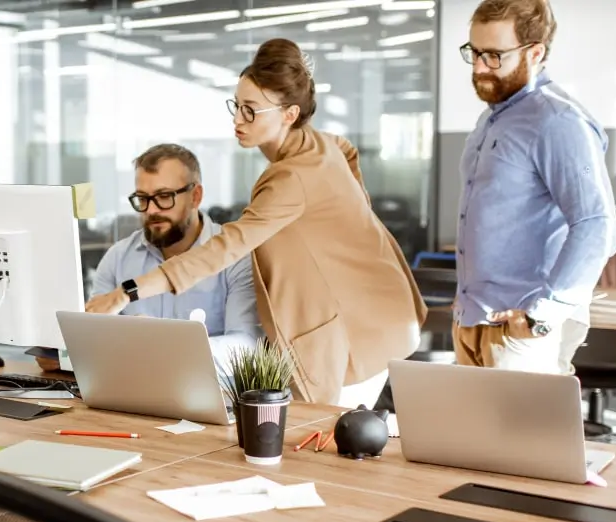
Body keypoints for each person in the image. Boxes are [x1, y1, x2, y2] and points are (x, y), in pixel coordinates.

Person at [85, 39, 427, 408]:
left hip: (359, 333)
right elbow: (348, 151)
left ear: (289, 114)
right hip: (383, 314)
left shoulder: (290, 178)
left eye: (251, 111)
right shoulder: (321, 145)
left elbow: (224, 248)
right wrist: (352, 225)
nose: (237, 120)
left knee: (319, 446)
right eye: (236, 106)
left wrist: (128, 292)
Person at [452, 0, 616, 373]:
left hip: (522, 329)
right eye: (474, 52)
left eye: (494, 55)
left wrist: (543, 315)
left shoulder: (558, 121)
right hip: (473, 320)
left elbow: (595, 223)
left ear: (535, 52)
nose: (479, 67)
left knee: (522, 434)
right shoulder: (492, 118)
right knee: (466, 433)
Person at [35, 143, 261, 374]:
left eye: (164, 197)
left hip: (213, 399)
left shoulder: (235, 259)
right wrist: (62, 353)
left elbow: (247, 348)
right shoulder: (118, 258)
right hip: (130, 393)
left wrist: (163, 347)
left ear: (195, 196)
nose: (151, 210)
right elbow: (93, 336)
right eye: (143, 199)